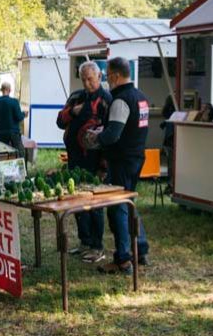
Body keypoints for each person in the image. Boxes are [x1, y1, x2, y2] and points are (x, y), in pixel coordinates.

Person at [85, 57, 150, 274]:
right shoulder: (141, 97)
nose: (108, 80)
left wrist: (95, 137)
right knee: (129, 203)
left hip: (122, 159)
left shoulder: (121, 100)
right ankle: (140, 249)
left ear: (114, 75)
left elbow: (113, 134)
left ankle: (123, 258)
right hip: (136, 156)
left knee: (118, 208)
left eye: (109, 75)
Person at [57, 61, 111, 262]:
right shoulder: (76, 97)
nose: (87, 83)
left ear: (99, 77)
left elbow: (110, 134)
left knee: (94, 204)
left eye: (91, 78)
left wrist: (104, 166)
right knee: (77, 201)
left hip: (95, 161)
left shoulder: (106, 100)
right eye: (84, 79)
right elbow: (59, 121)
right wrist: (73, 112)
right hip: (75, 159)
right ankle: (84, 242)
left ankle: (97, 246)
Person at [0, 82, 26, 157]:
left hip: (2, 132)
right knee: (20, 153)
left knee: (3, 153)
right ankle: (21, 168)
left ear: (1, 90)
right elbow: (19, 117)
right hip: (14, 132)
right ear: (9, 90)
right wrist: (24, 114)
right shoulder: (14, 101)